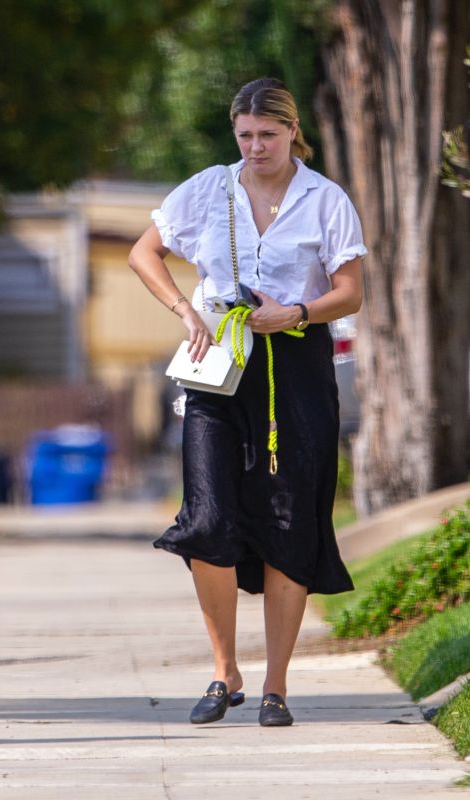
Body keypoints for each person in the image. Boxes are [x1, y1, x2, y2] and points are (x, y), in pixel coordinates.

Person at [128, 77, 366, 727]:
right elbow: (143, 252)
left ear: (292, 132)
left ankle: (276, 686)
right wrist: (183, 308)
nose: (255, 147)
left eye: (267, 134)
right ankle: (222, 669)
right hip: (216, 363)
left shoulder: (325, 200)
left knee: (289, 521)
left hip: (295, 363)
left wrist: (294, 310)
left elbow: (349, 292)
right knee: (207, 518)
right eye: (244, 136)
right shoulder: (208, 188)